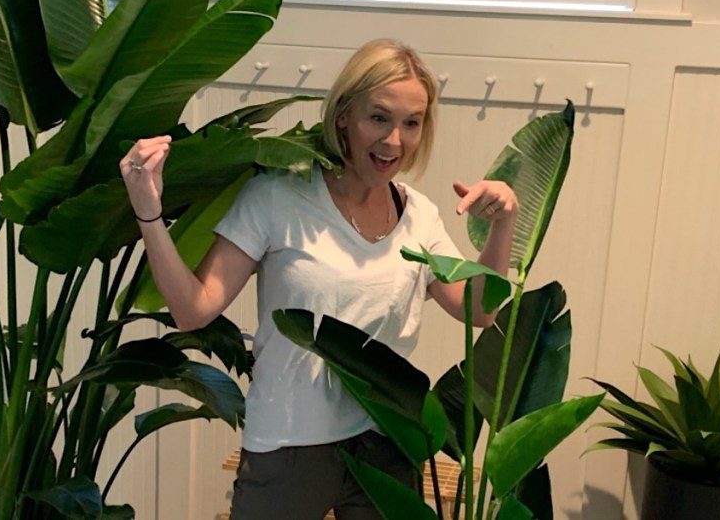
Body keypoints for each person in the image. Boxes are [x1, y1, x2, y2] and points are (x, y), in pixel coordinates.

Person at [119, 38, 518, 520]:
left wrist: (502, 225)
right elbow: (193, 308)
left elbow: (478, 310)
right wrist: (149, 212)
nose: (394, 140)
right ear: (345, 113)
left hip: (389, 441)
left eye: (411, 123)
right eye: (379, 118)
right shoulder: (276, 196)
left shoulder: (419, 216)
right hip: (289, 444)